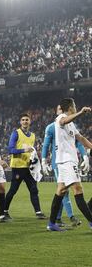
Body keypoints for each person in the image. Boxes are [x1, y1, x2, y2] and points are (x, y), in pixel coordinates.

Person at [47, 98, 92, 231]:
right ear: (70, 107)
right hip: (67, 160)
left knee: (61, 191)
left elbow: (81, 138)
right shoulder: (61, 117)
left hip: (65, 161)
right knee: (78, 189)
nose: (76, 107)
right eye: (75, 105)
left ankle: (51, 224)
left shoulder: (71, 125)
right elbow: (63, 121)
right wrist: (81, 113)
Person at [4, 113, 46, 220]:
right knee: (13, 190)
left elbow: (32, 151)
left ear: (30, 121)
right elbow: (10, 150)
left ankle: (38, 212)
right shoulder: (16, 133)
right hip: (18, 167)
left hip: (29, 168)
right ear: (20, 122)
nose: (25, 121)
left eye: (27, 119)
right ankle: (4, 211)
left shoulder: (32, 135)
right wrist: (24, 150)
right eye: (23, 120)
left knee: (34, 190)